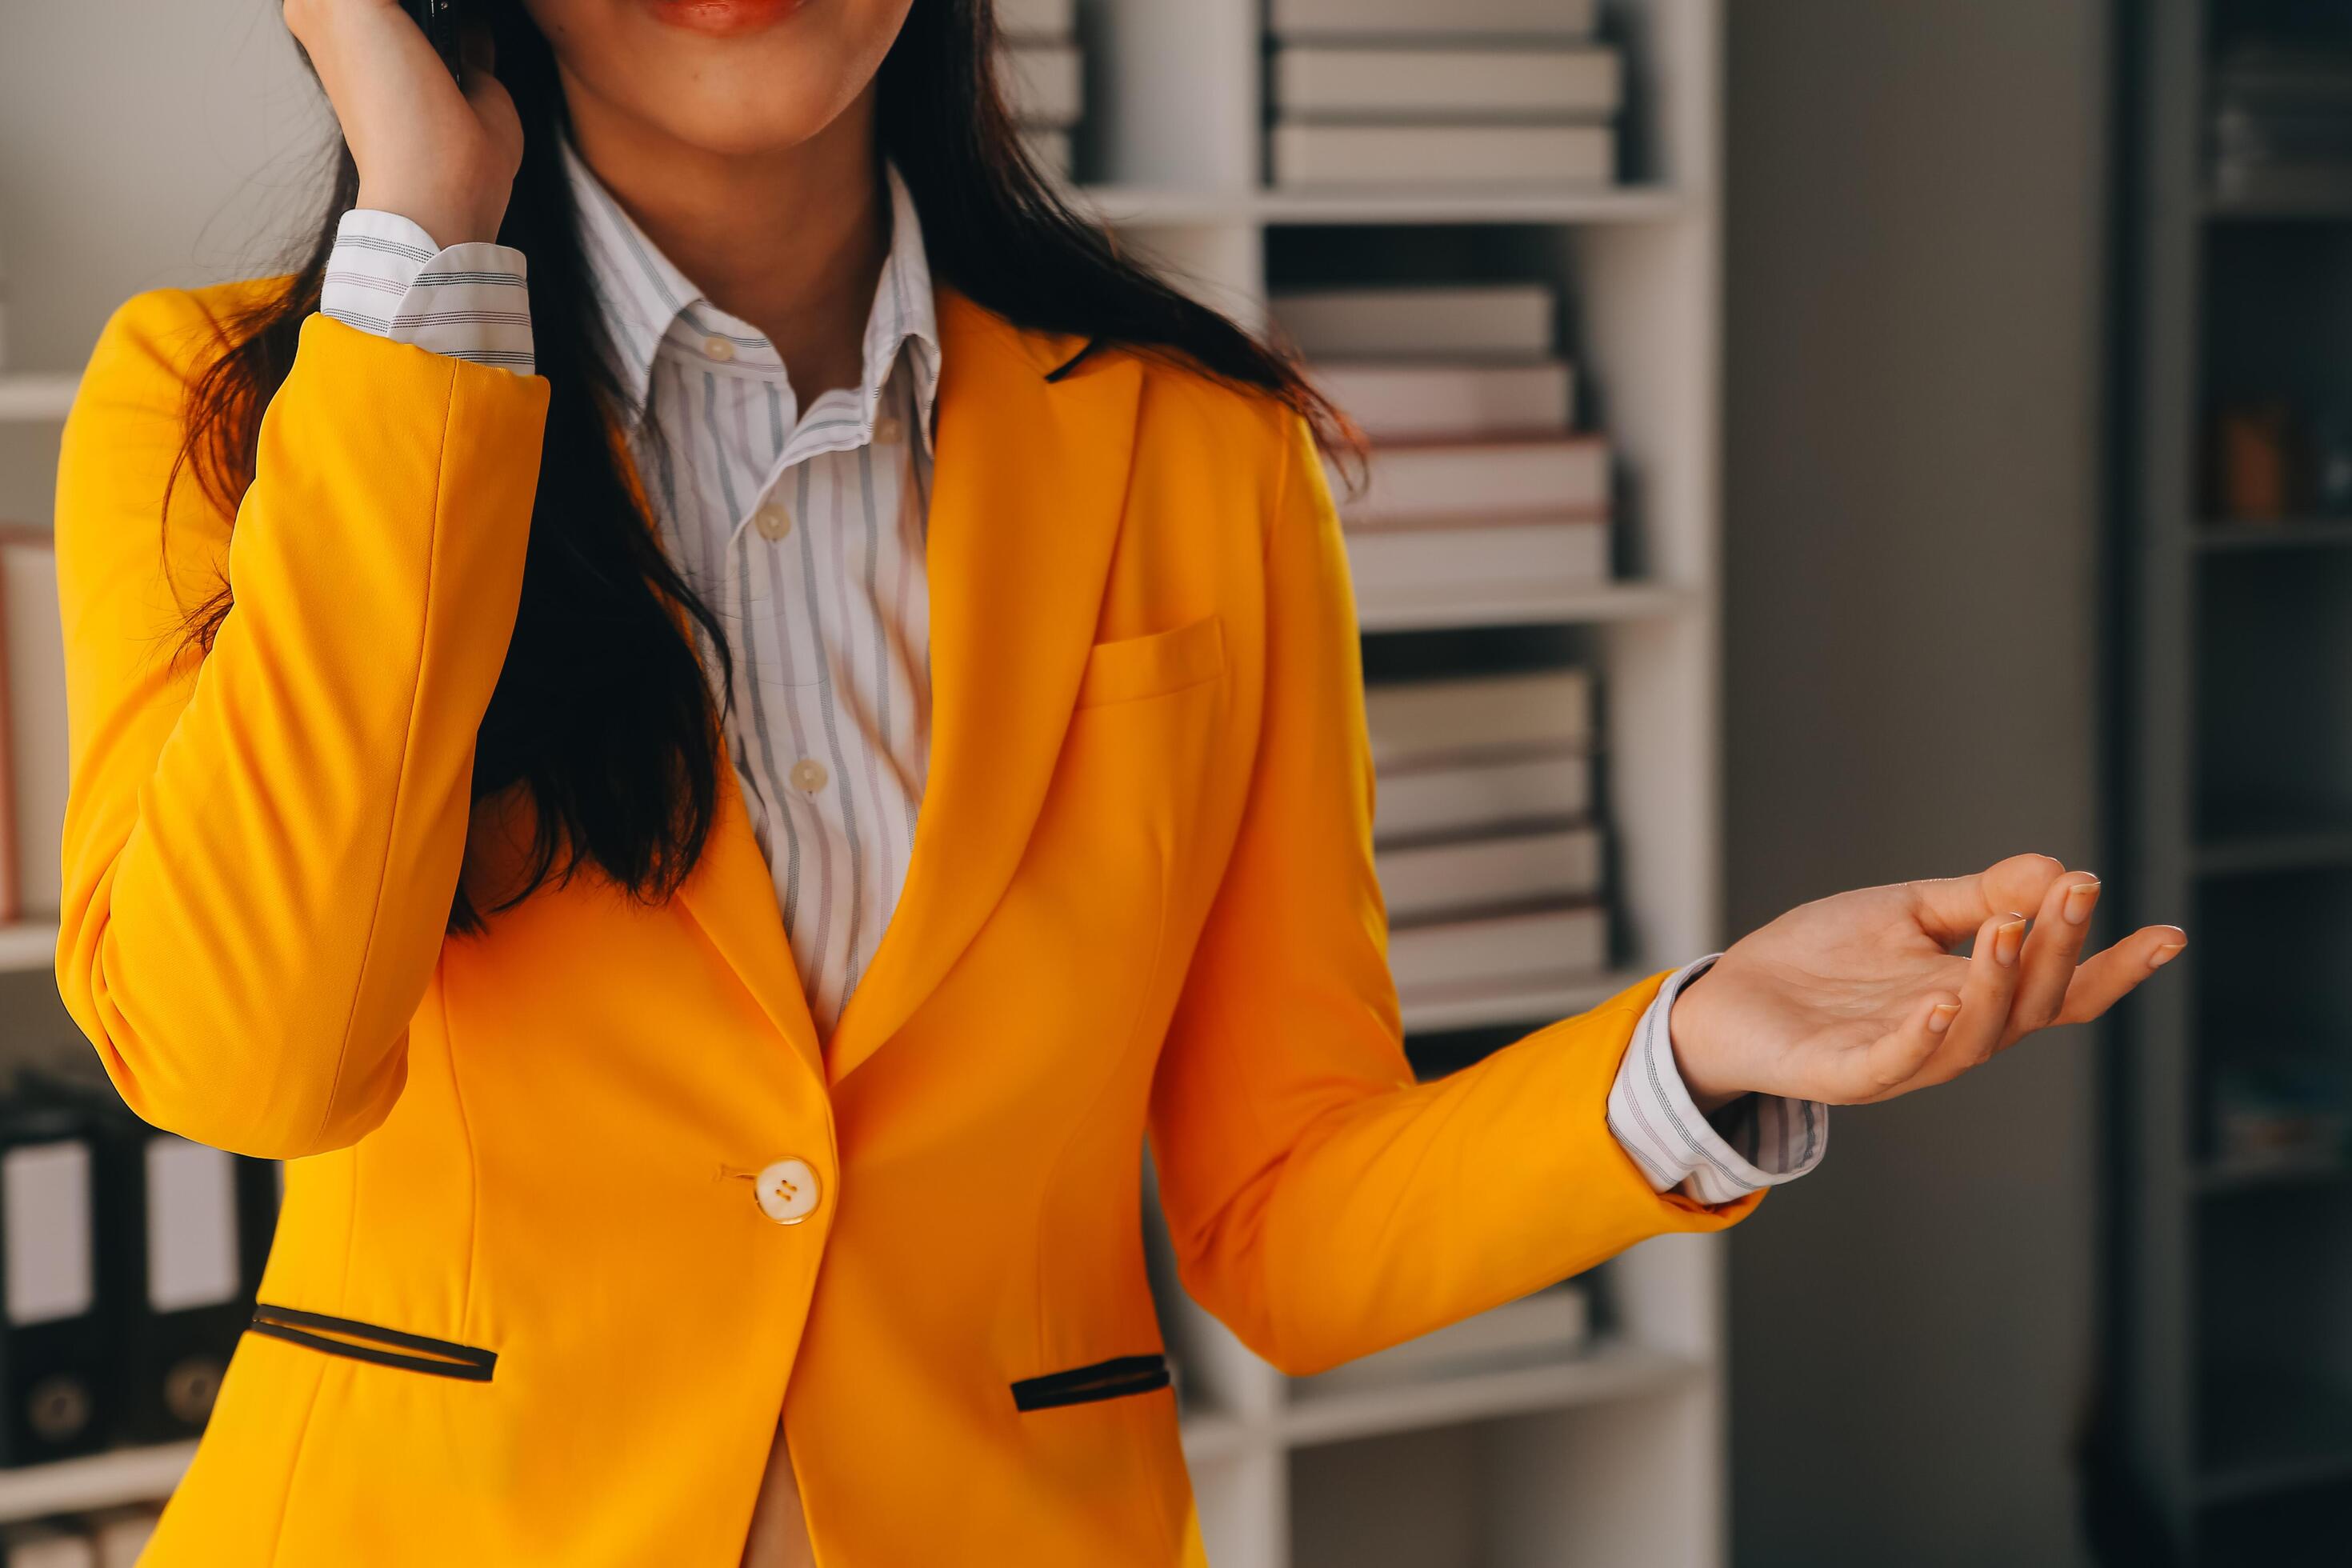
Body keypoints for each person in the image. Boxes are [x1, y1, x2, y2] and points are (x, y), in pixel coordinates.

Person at [50, 1, 2186, 1562]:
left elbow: (1283, 1223)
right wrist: (429, 238)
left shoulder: (1198, 454)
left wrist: (1685, 1052)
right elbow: (253, 1060)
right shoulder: (242, 412)